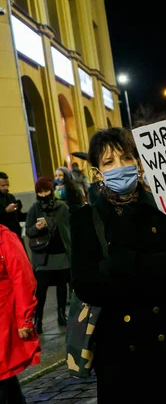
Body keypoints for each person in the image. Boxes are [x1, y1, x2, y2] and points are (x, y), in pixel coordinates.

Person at [69, 127, 166, 403]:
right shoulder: (86, 220)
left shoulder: (165, 207)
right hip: (121, 353)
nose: (120, 167)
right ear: (97, 171)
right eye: (109, 162)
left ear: (138, 162)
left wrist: (119, 265)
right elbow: (86, 286)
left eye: (126, 158)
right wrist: (149, 269)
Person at [0, 224, 40, 404]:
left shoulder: (5, 238)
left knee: (3, 377)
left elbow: (22, 277)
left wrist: (25, 318)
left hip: (3, 319)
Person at [25, 176, 71, 333]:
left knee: (61, 286)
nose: (43, 194)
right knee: (41, 289)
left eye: (46, 190)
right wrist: (37, 228)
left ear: (51, 190)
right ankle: (38, 319)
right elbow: (28, 231)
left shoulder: (62, 207)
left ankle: (61, 315)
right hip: (42, 256)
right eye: (40, 191)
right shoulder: (34, 208)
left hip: (61, 254)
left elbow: (68, 229)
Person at [0, 172, 25, 241]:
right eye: (3, 185)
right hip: (3, 237)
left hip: (15, 234)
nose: (6, 187)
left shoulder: (10, 197)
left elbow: (19, 216)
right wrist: (6, 211)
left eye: (7, 185)